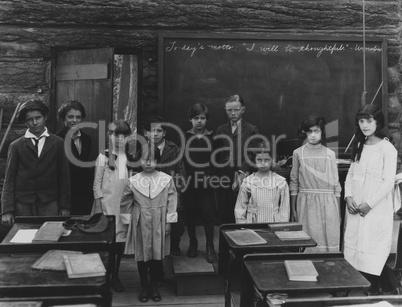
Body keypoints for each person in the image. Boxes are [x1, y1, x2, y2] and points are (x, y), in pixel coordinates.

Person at [343, 104, 398, 295]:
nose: (365, 125)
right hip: (356, 204)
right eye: (361, 121)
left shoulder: (387, 148)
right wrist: (348, 196)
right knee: (357, 246)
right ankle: (371, 287)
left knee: (373, 247)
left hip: (376, 207)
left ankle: (379, 289)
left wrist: (369, 204)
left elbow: (388, 182)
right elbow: (351, 173)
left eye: (369, 121)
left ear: (378, 122)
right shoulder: (359, 145)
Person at [121, 144, 177, 303]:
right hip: (140, 220)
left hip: (159, 220)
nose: (148, 163)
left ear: (157, 161)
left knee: (156, 255)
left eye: (152, 160)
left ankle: (154, 286)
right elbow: (125, 202)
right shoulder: (133, 181)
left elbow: (172, 201)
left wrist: (169, 222)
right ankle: (143, 286)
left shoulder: (166, 180)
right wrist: (127, 221)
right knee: (142, 254)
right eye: (145, 159)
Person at [1, 100, 70, 226]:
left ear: (45, 117)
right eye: (30, 119)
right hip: (23, 205)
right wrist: (7, 209)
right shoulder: (16, 146)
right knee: (24, 239)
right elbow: (9, 179)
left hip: (50, 203)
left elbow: (64, 177)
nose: (34, 122)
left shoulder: (58, 143)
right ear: (25, 122)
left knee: (49, 239)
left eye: (38, 118)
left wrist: (64, 206)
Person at [289, 114, 341, 252]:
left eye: (316, 131)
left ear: (322, 132)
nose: (312, 135)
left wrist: (338, 211)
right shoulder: (298, 153)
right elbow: (294, 181)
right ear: (305, 133)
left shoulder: (330, 154)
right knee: (308, 240)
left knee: (327, 238)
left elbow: (336, 185)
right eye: (309, 131)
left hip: (328, 203)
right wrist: (293, 208)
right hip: (306, 202)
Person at [92, 120, 132, 293]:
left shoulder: (129, 157)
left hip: (123, 206)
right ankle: (103, 277)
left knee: (119, 243)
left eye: (124, 136)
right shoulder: (104, 156)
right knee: (105, 243)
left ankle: (115, 275)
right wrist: (99, 206)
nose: (119, 139)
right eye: (116, 135)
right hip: (107, 206)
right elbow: (96, 184)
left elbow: (130, 183)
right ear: (110, 135)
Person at [142, 116, 186, 257]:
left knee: (174, 224)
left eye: (159, 131)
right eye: (151, 131)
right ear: (145, 133)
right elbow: (137, 174)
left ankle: (174, 247)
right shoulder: (142, 151)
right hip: (149, 195)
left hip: (169, 193)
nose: (155, 134)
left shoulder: (174, 150)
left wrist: (175, 191)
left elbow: (181, 173)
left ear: (164, 133)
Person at [214, 94, 259, 223]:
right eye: (229, 110)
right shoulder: (221, 130)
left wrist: (242, 172)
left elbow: (252, 154)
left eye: (236, 109)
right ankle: (225, 243)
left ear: (243, 109)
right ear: (225, 110)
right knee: (225, 215)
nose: (233, 113)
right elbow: (217, 155)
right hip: (224, 178)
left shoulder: (251, 130)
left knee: (242, 215)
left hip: (244, 177)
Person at [183, 103, 217, 263]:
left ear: (206, 120)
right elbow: (181, 161)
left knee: (208, 215)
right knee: (189, 215)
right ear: (190, 119)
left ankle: (210, 245)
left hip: (206, 183)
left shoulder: (213, 137)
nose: (199, 121)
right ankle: (193, 242)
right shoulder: (184, 137)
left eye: (202, 118)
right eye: (196, 118)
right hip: (189, 183)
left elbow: (218, 161)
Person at [235, 142, 290, 223]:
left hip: (273, 222)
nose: (263, 163)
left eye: (266, 160)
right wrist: (243, 226)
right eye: (259, 160)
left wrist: (281, 227)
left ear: (272, 160)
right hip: (253, 224)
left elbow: (284, 209)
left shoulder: (280, 182)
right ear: (254, 161)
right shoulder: (248, 182)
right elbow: (240, 208)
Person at [56, 100, 94, 215]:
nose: (74, 120)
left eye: (78, 117)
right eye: (70, 117)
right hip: (65, 197)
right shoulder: (57, 140)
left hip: (84, 195)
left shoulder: (87, 139)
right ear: (63, 118)